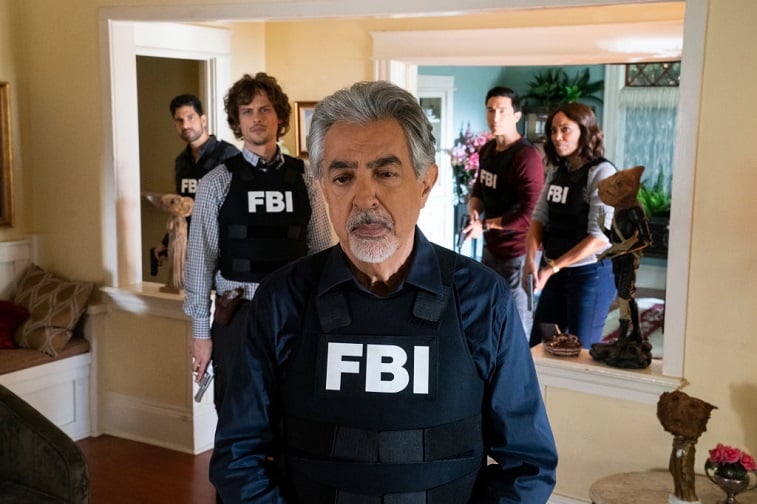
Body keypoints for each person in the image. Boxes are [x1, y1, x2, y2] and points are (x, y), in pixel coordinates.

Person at [210, 80, 557, 503]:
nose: (364, 198)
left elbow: (529, 466)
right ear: (323, 189)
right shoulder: (283, 299)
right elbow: (238, 457)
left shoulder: (481, 299)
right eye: (342, 177)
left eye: (386, 173)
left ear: (425, 183)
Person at [183, 73, 334, 415]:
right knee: (236, 411)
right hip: (238, 314)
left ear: (279, 116)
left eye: (265, 109)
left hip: (294, 312)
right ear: (237, 121)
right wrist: (200, 335)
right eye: (247, 111)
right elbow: (200, 263)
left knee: (295, 411)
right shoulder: (217, 182)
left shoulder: (307, 179)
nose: (257, 118)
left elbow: (323, 254)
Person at [523, 102, 617, 349]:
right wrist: (530, 260)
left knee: (581, 350)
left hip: (589, 276)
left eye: (565, 129)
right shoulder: (557, 169)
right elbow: (539, 217)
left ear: (584, 131)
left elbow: (600, 237)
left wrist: (552, 267)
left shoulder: (601, 172)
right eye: (553, 130)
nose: (557, 137)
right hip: (555, 273)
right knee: (541, 346)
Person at [463, 86, 544, 337]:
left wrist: (485, 225)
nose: (495, 117)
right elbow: (479, 189)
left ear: (517, 116)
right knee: (491, 315)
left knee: (517, 323)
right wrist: (474, 211)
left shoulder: (526, 157)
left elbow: (529, 216)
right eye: (490, 110)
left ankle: (521, 362)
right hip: (492, 248)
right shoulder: (488, 150)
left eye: (502, 111)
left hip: (519, 253)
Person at [152, 94, 239, 263]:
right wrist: (167, 241)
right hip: (191, 249)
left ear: (203, 120)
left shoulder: (228, 155)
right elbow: (181, 208)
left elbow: (238, 206)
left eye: (190, 117)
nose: (185, 125)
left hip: (223, 248)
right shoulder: (181, 161)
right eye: (179, 120)